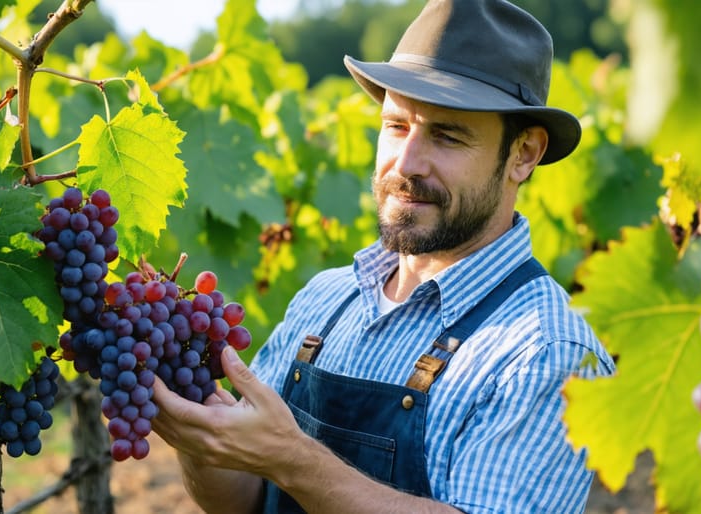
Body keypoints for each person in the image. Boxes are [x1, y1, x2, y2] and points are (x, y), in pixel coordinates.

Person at [151, 0, 616, 512]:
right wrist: (202, 438)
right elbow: (245, 500)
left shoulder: (547, 352)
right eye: (396, 126)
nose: (407, 163)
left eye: (447, 136)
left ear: (523, 154)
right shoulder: (325, 300)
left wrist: (293, 459)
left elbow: (284, 463)